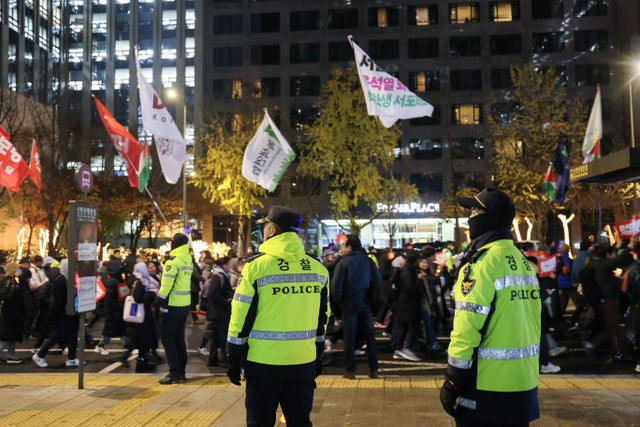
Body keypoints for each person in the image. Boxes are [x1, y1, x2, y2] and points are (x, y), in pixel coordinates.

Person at [440, 187, 541, 426]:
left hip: (487, 387)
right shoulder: (522, 262)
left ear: (490, 218)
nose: (470, 217)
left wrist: (453, 381)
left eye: (475, 211)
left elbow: (466, 331)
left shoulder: (481, 264)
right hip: (523, 384)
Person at [226, 206, 330, 427]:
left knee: (260, 422)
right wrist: (318, 352)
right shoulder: (317, 268)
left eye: (265, 226)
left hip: (263, 363)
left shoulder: (257, 267)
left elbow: (241, 315)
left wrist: (233, 355)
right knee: (300, 421)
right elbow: (323, 317)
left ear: (272, 229)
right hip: (303, 361)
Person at [331, 234, 381, 379]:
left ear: (349, 246)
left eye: (343, 245)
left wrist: (338, 305)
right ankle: (374, 369)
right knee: (370, 337)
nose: (342, 248)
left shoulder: (343, 263)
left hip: (349, 304)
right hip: (366, 304)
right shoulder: (368, 261)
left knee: (349, 337)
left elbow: (336, 287)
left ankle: (350, 370)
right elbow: (377, 283)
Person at [155, 233, 193, 384]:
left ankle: (174, 373)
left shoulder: (173, 262)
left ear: (175, 244)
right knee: (179, 339)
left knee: (167, 338)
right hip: (184, 305)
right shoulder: (187, 260)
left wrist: (159, 300)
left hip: (171, 306)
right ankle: (181, 371)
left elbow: (166, 285)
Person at [121, 261, 160, 372]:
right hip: (142, 318)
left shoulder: (142, 280)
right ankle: (141, 363)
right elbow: (138, 298)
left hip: (144, 317)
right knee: (142, 342)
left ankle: (142, 361)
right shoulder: (140, 281)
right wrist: (151, 295)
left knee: (143, 342)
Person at [198, 256, 233, 366]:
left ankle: (212, 359)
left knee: (216, 336)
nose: (230, 266)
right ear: (224, 265)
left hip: (218, 312)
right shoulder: (219, 276)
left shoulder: (222, 275)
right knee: (222, 336)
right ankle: (224, 359)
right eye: (229, 264)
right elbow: (212, 294)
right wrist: (226, 300)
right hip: (218, 312)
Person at [0, 262, 26, 364]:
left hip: (14, 313)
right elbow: (4, 296)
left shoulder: (14, 280)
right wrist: (14, 292)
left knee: (11, 336)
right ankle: (10, 355)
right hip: (9, 313)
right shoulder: (8, 281)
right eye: (17, 269)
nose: (19, 271)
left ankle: (11, 356)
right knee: (6, 337)